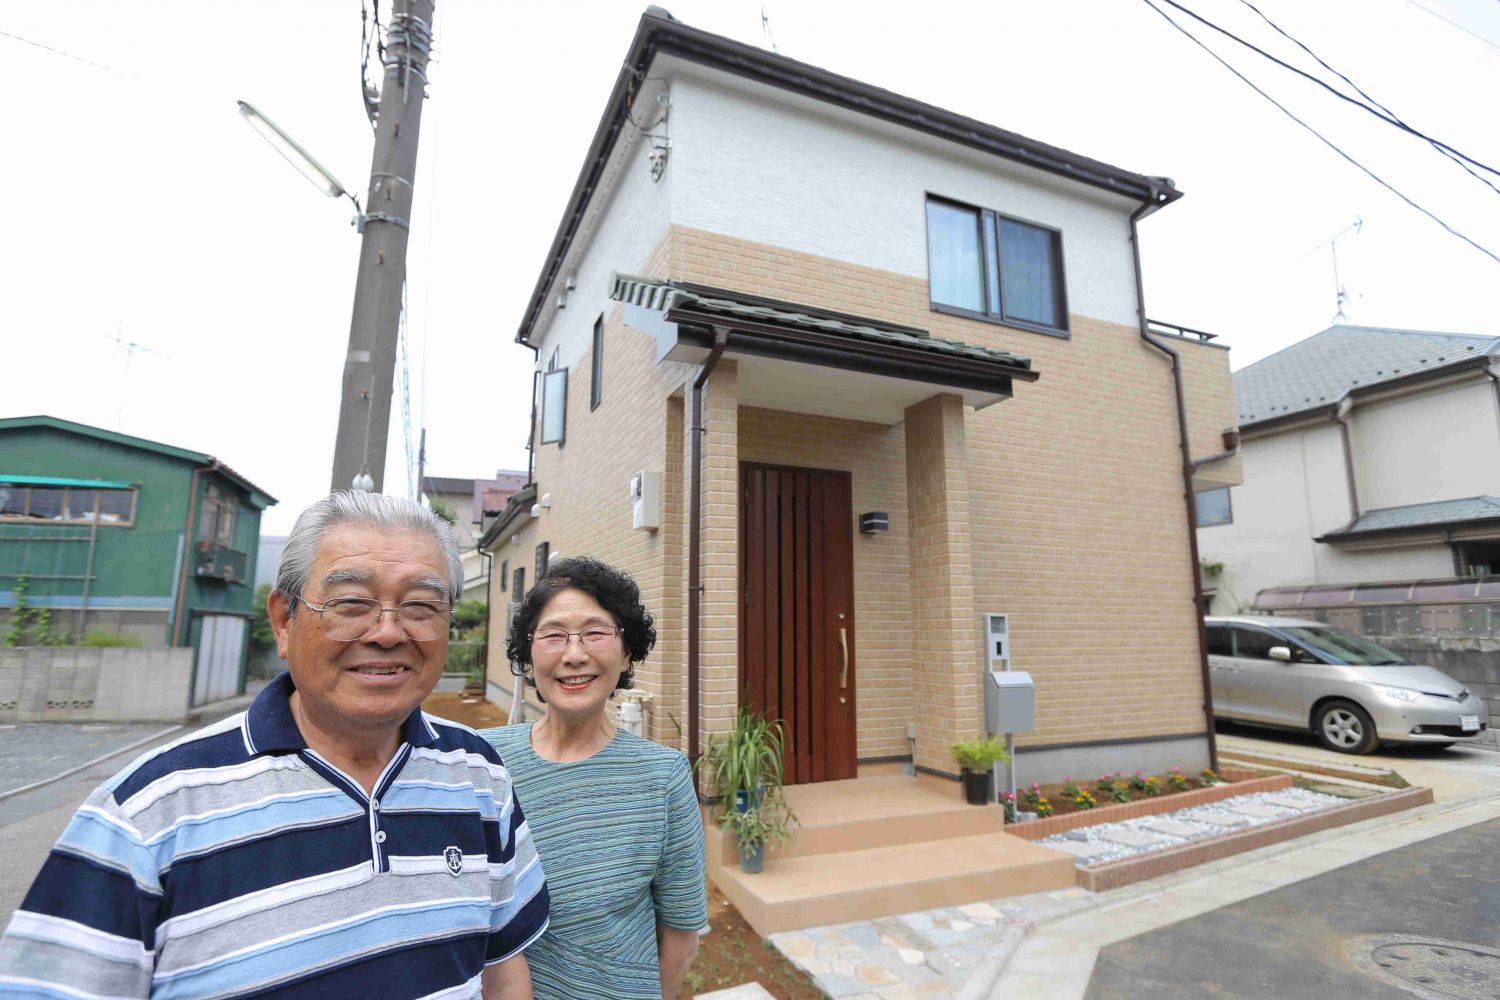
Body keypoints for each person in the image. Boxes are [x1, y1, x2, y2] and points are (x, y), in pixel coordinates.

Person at [0, 492, 548, 998]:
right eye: (351, 602)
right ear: (284, 621)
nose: (388, 632)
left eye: (422, 607)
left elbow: (501, 969)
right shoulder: (147, 812)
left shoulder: (478, 772)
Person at [483, 557, 706, 1000]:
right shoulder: (482, 760)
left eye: (595, 632)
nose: (574, 654)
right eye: (553, 635)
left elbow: (680, 940)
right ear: (528, 655)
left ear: (626, 652)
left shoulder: (663, 777)